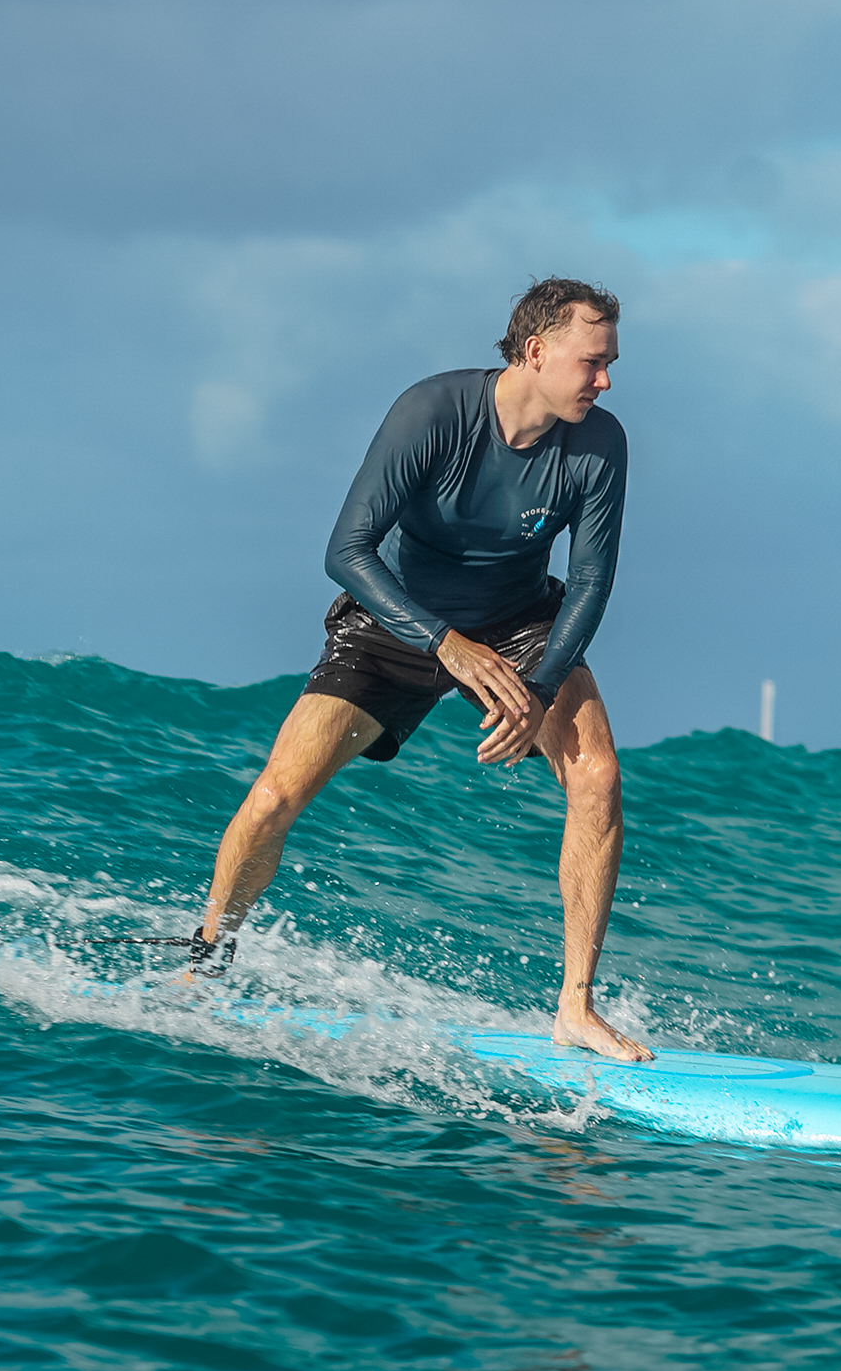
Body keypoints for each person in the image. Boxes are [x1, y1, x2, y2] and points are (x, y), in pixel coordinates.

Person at [188, 277, 650, 1063]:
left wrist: (537, 691)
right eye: (592, 361)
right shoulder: (434, 412)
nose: (605, 380)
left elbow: (592, 582)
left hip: (519, 622)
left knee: (597, 776)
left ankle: (575, 1007)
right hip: (396, 617)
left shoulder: (600, 444)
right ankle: (206, 960)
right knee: (274, 794)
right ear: (535, 351)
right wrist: (443, 643)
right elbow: (346, 551)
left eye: (610, 363)